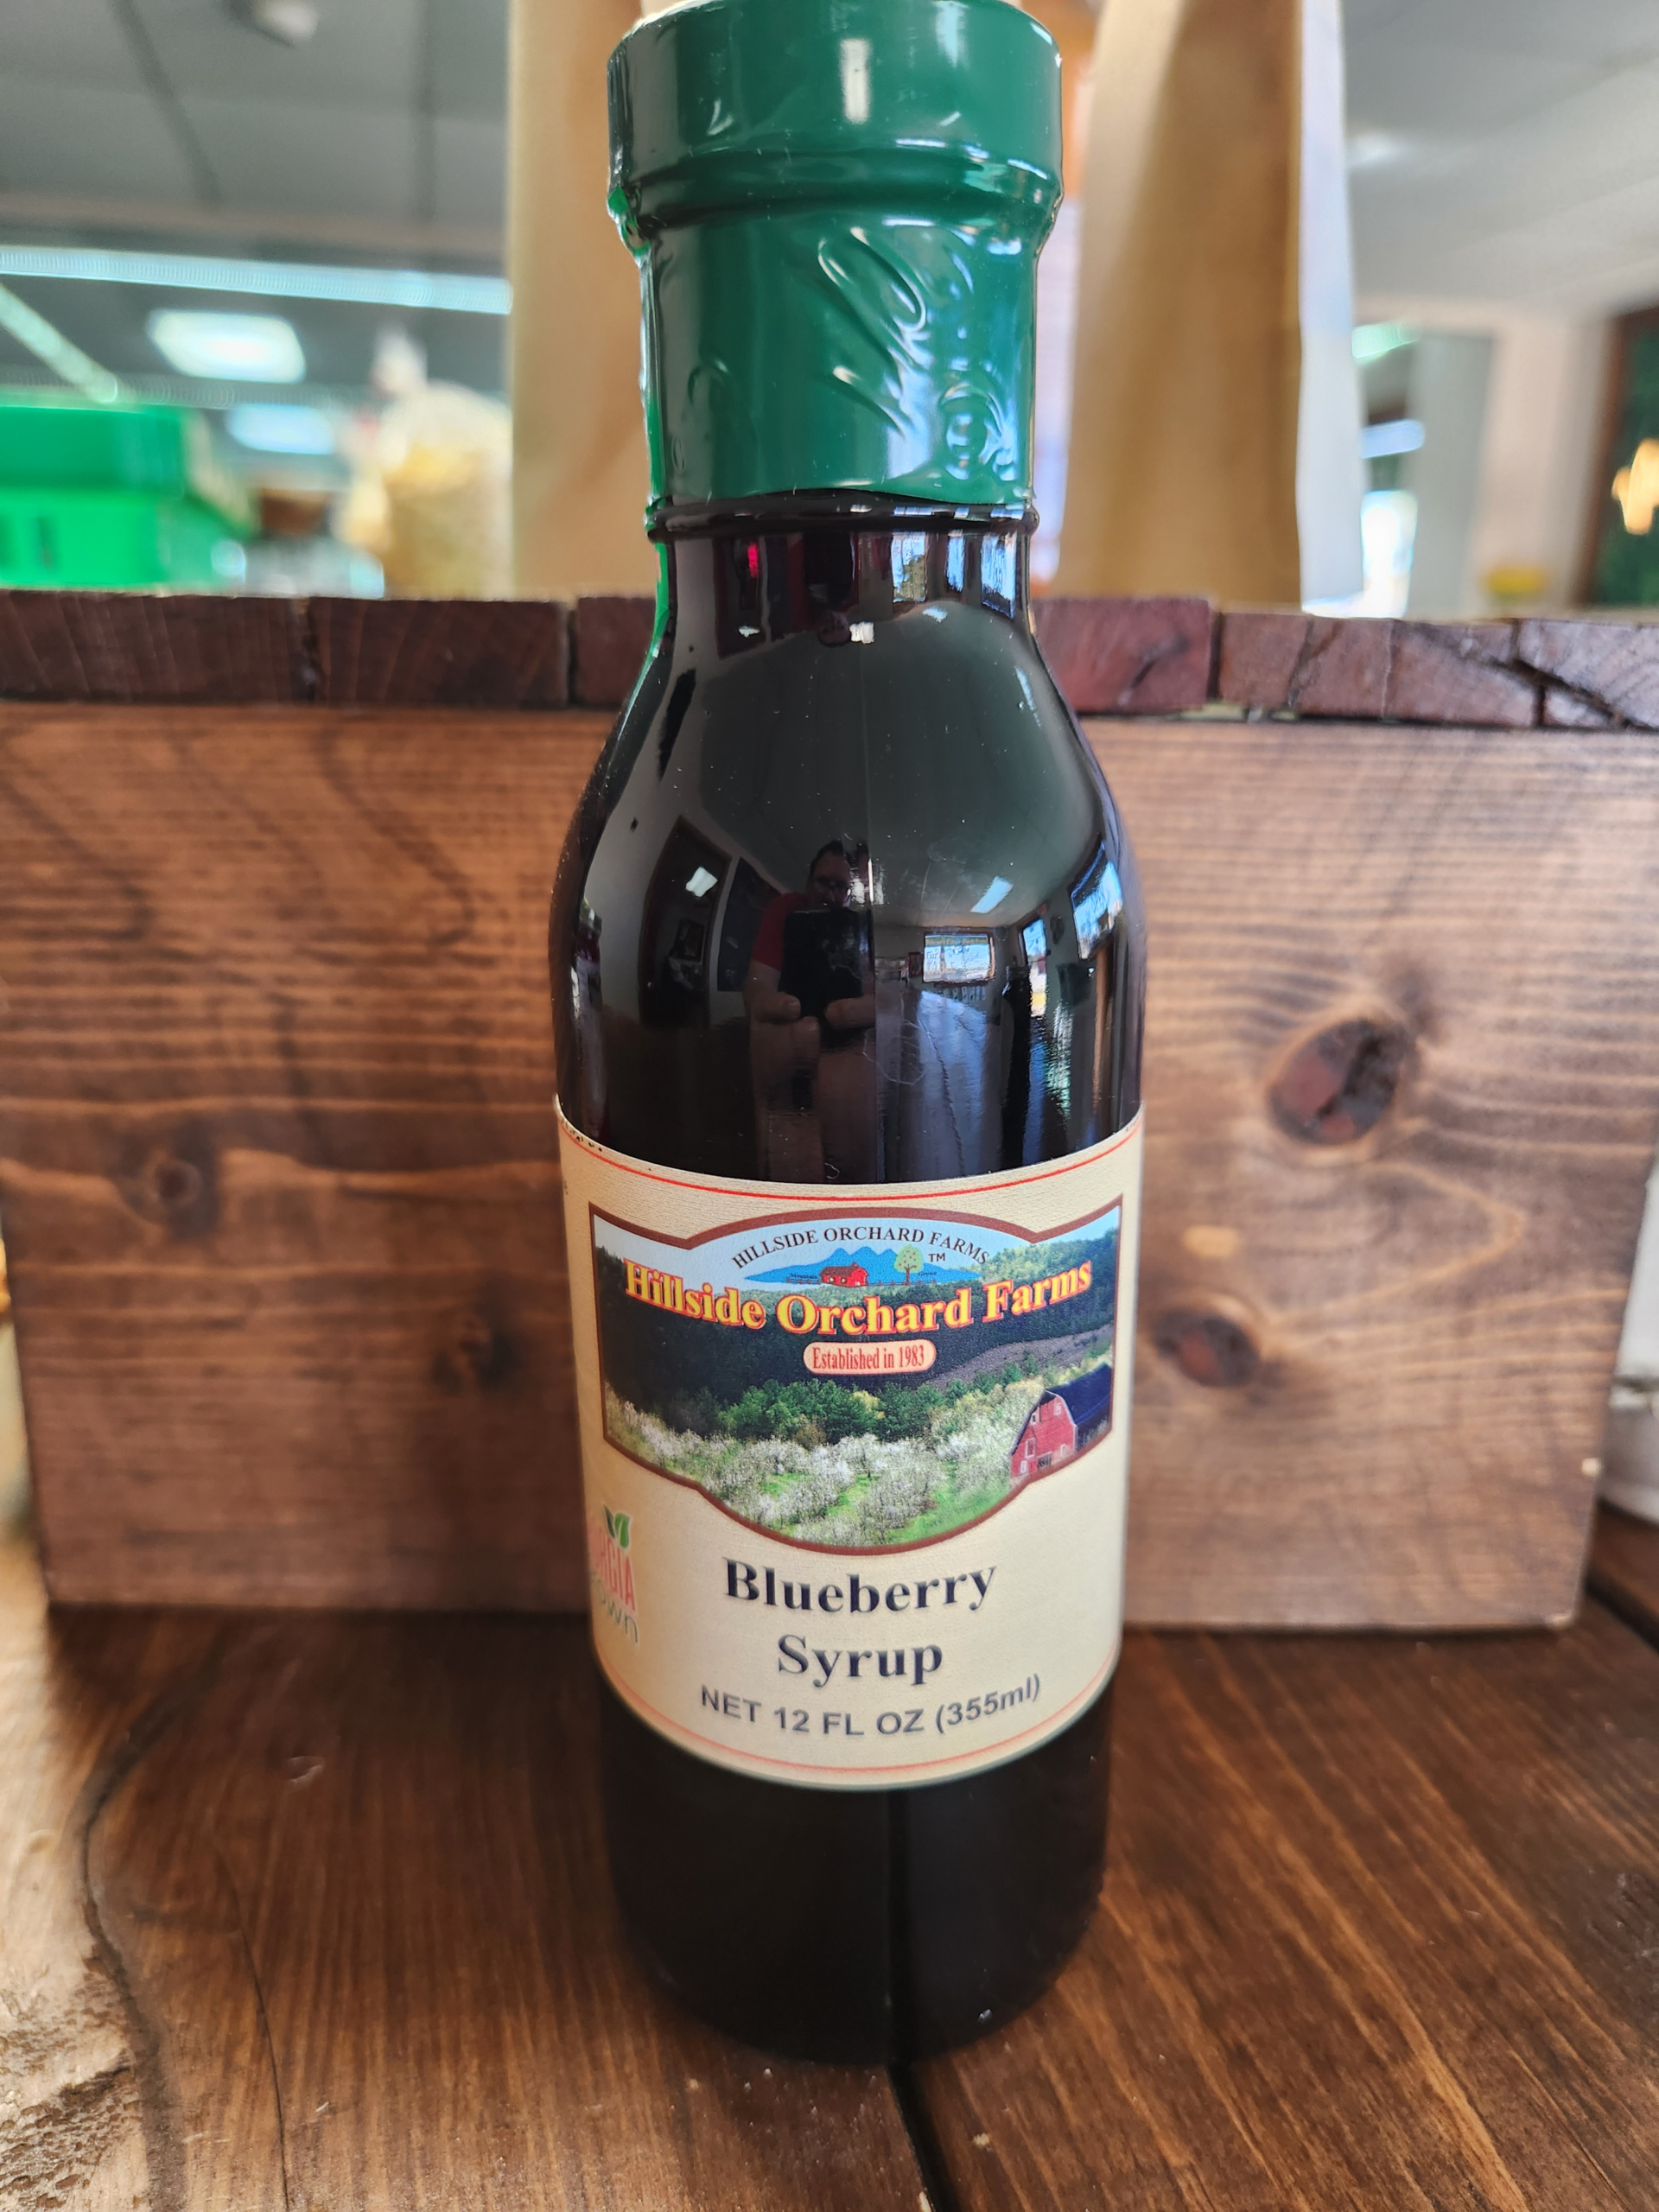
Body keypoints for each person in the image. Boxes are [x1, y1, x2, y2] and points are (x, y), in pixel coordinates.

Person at [744, 840, 876, 1179]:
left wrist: (872, 1009)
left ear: (850, 893)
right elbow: (757, 989)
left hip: (845, 1055)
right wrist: (765, 1008)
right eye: (823, 883)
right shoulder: (785, 912)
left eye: (841, 887)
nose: (831, 895)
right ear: (807, 882)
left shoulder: (856, 928)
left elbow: (872, 991)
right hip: (788, 1045)